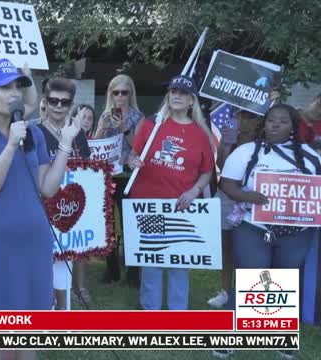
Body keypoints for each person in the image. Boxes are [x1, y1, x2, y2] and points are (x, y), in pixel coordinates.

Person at [0, 57, 78, 312]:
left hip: (35, 240)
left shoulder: (34, 133)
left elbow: (47, 188)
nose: (14, 94)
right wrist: (11, 145)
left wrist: (66, 144)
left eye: (17, 87)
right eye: (5, 87)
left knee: (30, 325)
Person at [216, 104, 321, 359]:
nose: (275, 125)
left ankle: (281, 336)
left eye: (283, 121)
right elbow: (227, 183)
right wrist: (247, 195)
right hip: (253, 226)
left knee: (284, 280)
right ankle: (229, 335)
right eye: (271, 120)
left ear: (293, 128)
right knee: (250, 277)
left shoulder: (310, 156)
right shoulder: (246, 151)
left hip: (296, 231)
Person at [126, 75, 215, 311]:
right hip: (148, 203)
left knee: (179, 262)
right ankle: (150, 310)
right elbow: (132, 156)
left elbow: (207, 172)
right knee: (152, 260)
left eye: (183, 93)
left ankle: (177, 312)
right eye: (173, 91)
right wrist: (132, 160)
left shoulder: (200, 134)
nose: (177, 95)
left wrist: (195, 190)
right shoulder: (150, 125)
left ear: (191, 101)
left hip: (180, 206)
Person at [37, 78, 91, 309]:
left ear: (71, 105)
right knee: (40, 261)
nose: (58, 106)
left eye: (64, 102)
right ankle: (42, 305)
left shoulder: (77, 133)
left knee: (64, 259)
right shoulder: (34, 132)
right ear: (45, 102)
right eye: (53, 101)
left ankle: (62, 308)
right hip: (40, 207)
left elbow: (88, 167)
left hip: (69, 207)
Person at [207, 110, 262, 308]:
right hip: (229, 196)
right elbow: (221, 164)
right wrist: (228, 142)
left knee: (251, 247)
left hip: (256, 197)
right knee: (227, 246)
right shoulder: (233, 119)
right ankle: (225, 291)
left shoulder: (270, 121)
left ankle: (247, 294)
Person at [95, 74, 144, 286]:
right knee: (108, 225)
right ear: (110, 94)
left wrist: (125, 128)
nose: (120, 97)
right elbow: (94, 146)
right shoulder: (105, 115)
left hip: (128, 177)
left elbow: (141, 147)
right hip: (107, 176)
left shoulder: (139, 117)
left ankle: (133, 274)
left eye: (125, 92)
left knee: (130, 225)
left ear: (131, 93)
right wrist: (103, 127)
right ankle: (111, 270)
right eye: (116, 92)